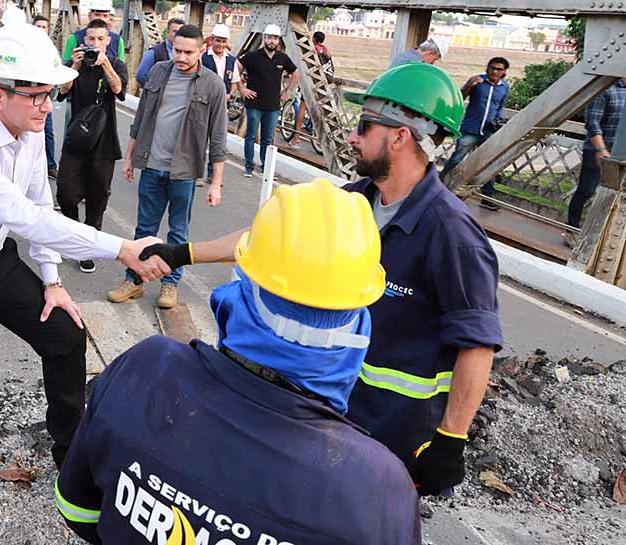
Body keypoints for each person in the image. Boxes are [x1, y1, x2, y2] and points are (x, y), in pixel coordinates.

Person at [138, 63, 504, 497]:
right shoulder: (354, 203)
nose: (352, 136)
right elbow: (269, 238)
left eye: (365, 126)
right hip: (334, 411)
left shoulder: (451, 233)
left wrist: (451, 439)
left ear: (401, 135)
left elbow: (477, 341)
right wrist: (183, 253)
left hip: (392, 434)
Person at [0, 21, 170, 519]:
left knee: (65, 334)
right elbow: (25, 218)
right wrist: (123, 249)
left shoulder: (27, 134)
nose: (49, 105)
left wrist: (51, 282)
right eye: (38, 96)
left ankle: (69, 451)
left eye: (51, 94)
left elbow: (41, 205)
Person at [56, 180, 421, 545]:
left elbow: (80, 512)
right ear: (357, 321)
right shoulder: (379, 489)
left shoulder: (147, 371)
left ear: (241, 292)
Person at [108, 24, 226, 309]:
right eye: (177, 50)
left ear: (201, 50)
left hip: (184, 172)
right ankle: (134, 280)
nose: (181, 57)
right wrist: (131, 156)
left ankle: (170, 284)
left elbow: (218, 136)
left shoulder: (212, 84)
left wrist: (216, 183)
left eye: (188, 52)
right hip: (151, 164)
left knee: (178, 232)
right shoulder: (159, 71)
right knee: (144, 228)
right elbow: (143, 116)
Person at [57, 19, 128, 274]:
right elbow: (62, 92)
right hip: (76, 139)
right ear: (84, 40)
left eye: (100, 39)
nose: (95, 44)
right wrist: (75, 65)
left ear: (108, 41)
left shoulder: (115, 63)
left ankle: (87, 248)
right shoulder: (75, 64)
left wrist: (105, 63)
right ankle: (73, 232)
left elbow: (119, 90)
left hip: (104, 142)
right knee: (65, 191)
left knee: (98, 198)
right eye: (91, 39)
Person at [440, 57, 510, 211]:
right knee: (456, 159)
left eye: (498, 69)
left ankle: (487, 197)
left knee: (489, 163)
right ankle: (438, 185)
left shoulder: (505, 87)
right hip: (470, 129)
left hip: (489, 131)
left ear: (504, 72)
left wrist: (499, 119)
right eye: (492, 68)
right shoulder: (477, 82)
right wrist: (469, 85)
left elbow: (499, 107)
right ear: (487, 68)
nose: (494, 71)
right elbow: (460, 97)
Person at [237, 24, 299, 178]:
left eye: (275, 38)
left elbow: (296, 73)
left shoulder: (282, 58)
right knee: (251, 136)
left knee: (267, 138)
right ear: (264, 38)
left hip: (272, 106)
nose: (272, 41)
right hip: (254, 105)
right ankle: (249, 167)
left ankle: (266, 167)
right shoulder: (252, 56)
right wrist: (242, 89)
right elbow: (236, 67)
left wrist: (287, 92)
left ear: (278, 41)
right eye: (269, 37)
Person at [566, 77, 626, 235]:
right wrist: (601, 149)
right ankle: (572, 230)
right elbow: (592, 122)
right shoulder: (606, 89)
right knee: (587, 190)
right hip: (598, 150)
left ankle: (601, 233)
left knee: (615, 196)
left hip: (622, 155)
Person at [200, 23, 239, 184]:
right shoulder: (203, 58)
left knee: (218, 142)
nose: (220, 44)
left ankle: (212, 175)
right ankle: (197, 174)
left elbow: (235, 81)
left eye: (223, 41)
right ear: (212, 40)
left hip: (223, 107)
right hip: (204, 105)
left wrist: (230, 94)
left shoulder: (231, 60)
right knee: (201, 141)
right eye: (217, 41)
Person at [287, 31, 333, 147]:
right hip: (325, 84)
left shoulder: (312, 49)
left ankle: (296, 138)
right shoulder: (327, 50)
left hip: (313, 83)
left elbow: (304, 65)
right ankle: (320, 139)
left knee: (302, 108)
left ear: (313, 39)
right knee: (322, 111)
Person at [34, 14, 59, 179]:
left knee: (47, 131)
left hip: (45, 95)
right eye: (38, 27)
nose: (41, 30)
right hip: (28, 94)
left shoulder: (52, 49)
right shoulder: (26, 46)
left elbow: (57, 69)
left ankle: (50, 164)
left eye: (44, 27)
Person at [135, 18, 184, 88]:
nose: (178, 35)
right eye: (175, 31)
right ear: (167, 33)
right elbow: (141, 76)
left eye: (181, 32)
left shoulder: (186, 53)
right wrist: (155, 91)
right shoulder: (154, 52)